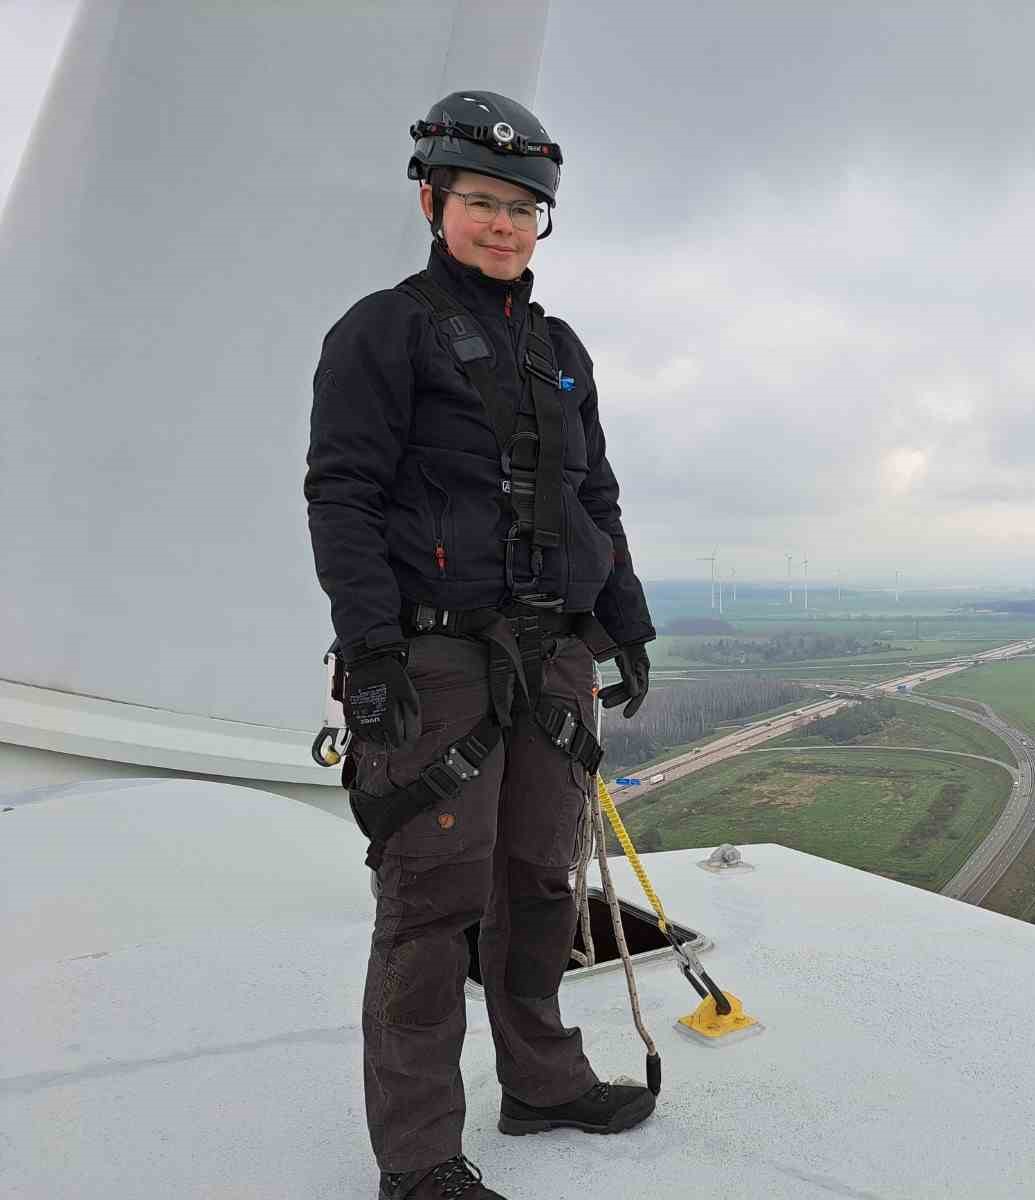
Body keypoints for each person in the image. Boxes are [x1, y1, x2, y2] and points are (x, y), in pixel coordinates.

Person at [305, 90, 656, 1200]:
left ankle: (542, 1082)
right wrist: (369, 652)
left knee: (539, 883)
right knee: (430, 906)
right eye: (481, 204)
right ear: (432, 202)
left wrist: (627, 624)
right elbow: (343, 494)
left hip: (552, 653)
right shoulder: (382, 329)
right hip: (435, 660)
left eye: (523, 208)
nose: (503, 225)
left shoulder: (558, 349)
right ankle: (416, 1161)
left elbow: (595, 492)